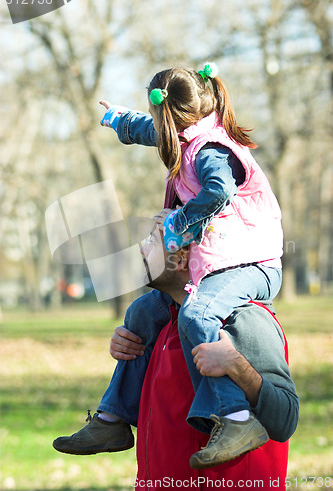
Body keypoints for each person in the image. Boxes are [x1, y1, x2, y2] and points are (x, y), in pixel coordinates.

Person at [98, 63, 283, 467]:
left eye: (155, 119)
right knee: (142, 311)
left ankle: (235, 418)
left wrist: (180, 224)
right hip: (221, 259)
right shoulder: (185, 135)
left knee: (196, 313)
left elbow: (220, 189)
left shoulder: (212, 151)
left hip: (252, 262)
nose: (153, 130)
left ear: (171, 116)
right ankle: (112, 417)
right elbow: (148, 131)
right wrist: (116, 119)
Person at [54, 222, 298, 488]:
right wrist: (127, 349)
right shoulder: (160, 322)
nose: (141, 249)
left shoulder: (245, 319)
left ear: (181, 257)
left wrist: (237, 367)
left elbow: (285, 420)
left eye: (151, 241)